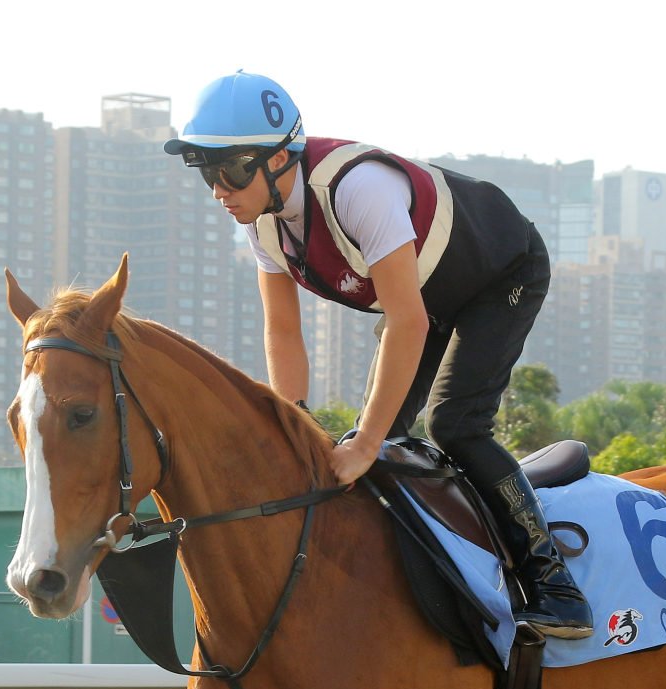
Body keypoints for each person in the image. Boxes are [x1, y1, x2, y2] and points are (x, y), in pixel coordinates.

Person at [164, 71, 593, 641]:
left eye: (230, 171)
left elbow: (408, 321)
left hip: (500, 273)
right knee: (375, 443)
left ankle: (553, 582)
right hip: (428, 295)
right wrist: (293, 427)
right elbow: (283, 336)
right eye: (206, 174)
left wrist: (365, 443)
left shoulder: (357, 189)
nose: (219, 190)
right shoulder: (263, 225)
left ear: (278, 159)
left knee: (453, 425)